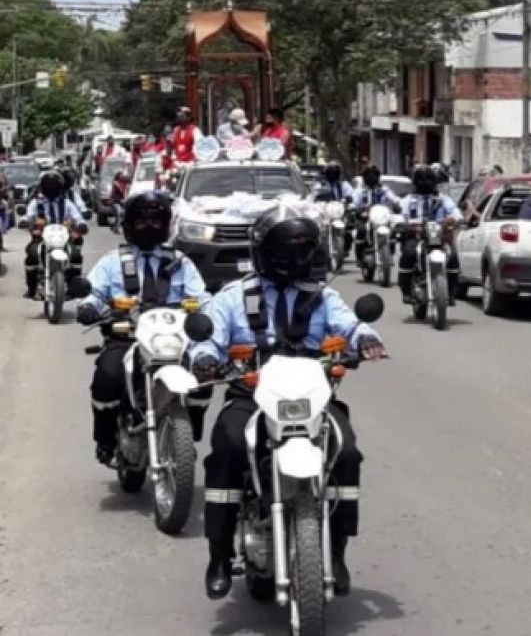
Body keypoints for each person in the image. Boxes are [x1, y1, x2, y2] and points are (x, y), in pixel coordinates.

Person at [189, 208, 385, 600]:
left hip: (310, 395)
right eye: (284, 252)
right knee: (228, 448)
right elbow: (207, 339)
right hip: (251, 394)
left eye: (301, 252)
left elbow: (350, 324)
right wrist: (205, 359)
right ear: (263, 251)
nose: (293, 261)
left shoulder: (323, 296)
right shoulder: (233, 296)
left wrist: (366, 339)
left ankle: (336, 551)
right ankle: (219, 555)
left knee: (346, 453)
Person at [76, 192, 212, 465]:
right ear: (129, 224)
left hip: (173, 340)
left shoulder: (180, 262)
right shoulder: (112, 261)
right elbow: (94, 292)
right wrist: (88, 307)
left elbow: (202, 297)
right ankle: (105, 440)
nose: (149, 227)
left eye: (156, 221)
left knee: (204, 375)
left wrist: (207, 315)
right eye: (142, 221)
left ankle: (187, 435)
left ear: (166, 225)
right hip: (127, 337)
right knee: (107, 377)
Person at [396, 165, 461, 305]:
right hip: (416, 236)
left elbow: (455, 213)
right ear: (415, 182)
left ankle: (451, 293)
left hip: (439, 237)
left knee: (452, 257)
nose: (425, 183)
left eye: (428, 180)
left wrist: (455, 220)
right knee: (408, 253)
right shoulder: (408, 200)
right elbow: (399, 214)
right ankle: (406, 291)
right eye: (421, 180)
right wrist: (402, 224)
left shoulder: (443, 199)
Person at [23, 170, 87, 299]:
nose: (51, 189)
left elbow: (78, 217)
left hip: (63, 238)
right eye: (48, 187)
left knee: (76, 256)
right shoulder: (36, 203)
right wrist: (25, 222)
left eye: (54, 187)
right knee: (32, 254)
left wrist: (81, 225)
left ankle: (72, 288)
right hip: (41, 238)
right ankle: (32, 288)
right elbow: (27, 216)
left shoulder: (67, 203)